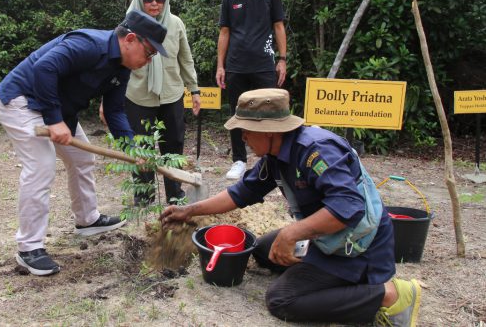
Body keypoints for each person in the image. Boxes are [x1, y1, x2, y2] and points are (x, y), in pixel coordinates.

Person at [161, 89, 421, 326]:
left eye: (246, 130)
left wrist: (291, 233)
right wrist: (189, 210)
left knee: (281, 300)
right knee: (263, 250)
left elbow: (348, 207)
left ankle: (387, 295)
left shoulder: (315, 150)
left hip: (356, 247)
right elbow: (241, 193)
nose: (243, 137)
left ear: (269, 130)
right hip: (325, 237)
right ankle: (319, 274)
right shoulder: (275, 155)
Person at [0, 10, 168, 276]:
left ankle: (87, 220)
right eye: (149, 53)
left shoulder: (121, 69)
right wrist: (54, 120)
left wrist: (133, 150)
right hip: (22, 101)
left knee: (82, 159)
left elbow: (115, 112)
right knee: (41, 167)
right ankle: (29, 248)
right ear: (131, 39)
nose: (148, 60)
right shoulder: (89, 45)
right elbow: (44, 68)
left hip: (60, 111)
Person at [118, 0, 200, 205]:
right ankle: (144, 196)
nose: (155, 3)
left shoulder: (175, 23)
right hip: (138, 96)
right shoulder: (128, 25)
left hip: (171, 94)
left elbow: (186, 59)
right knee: (142, 148)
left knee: (173, 145)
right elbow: (118, 63)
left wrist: (194, 90)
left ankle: (175, 193)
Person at [216, 0, 288, 181]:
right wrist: (220, 66)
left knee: (270, 111)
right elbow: (224, 32)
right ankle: (239, 160)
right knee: (237, 113)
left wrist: (283, 59)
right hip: (236, 66)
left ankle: (272, 160)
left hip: (264, 63)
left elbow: (278, 26)